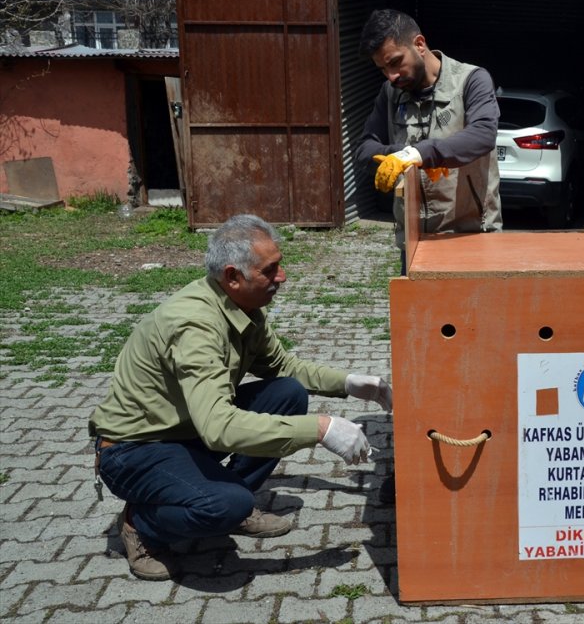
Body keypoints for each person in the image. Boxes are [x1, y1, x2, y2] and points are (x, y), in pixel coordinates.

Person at [89, 214, 392, 581]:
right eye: (270, 270)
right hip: (134, 449)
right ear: (233, 276)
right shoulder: (196, 326)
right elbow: (219, 428)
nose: (282, 277)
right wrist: (321, 429)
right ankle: (142, 525)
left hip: (185, 432)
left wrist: (351, 384)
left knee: (287, 394)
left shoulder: (241, 307)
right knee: (226, 504)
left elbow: (282, 367)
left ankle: (231, 502)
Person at [355, 8, 503, 273]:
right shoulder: (390, 93)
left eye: (395, 62)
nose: (391, 76)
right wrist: (402, 153)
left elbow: (483, 134)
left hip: (470, 236)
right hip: (414, 243)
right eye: (383, 69)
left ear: (419, 44)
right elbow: (366, 147)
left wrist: (423, 153)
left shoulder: (471, 80)